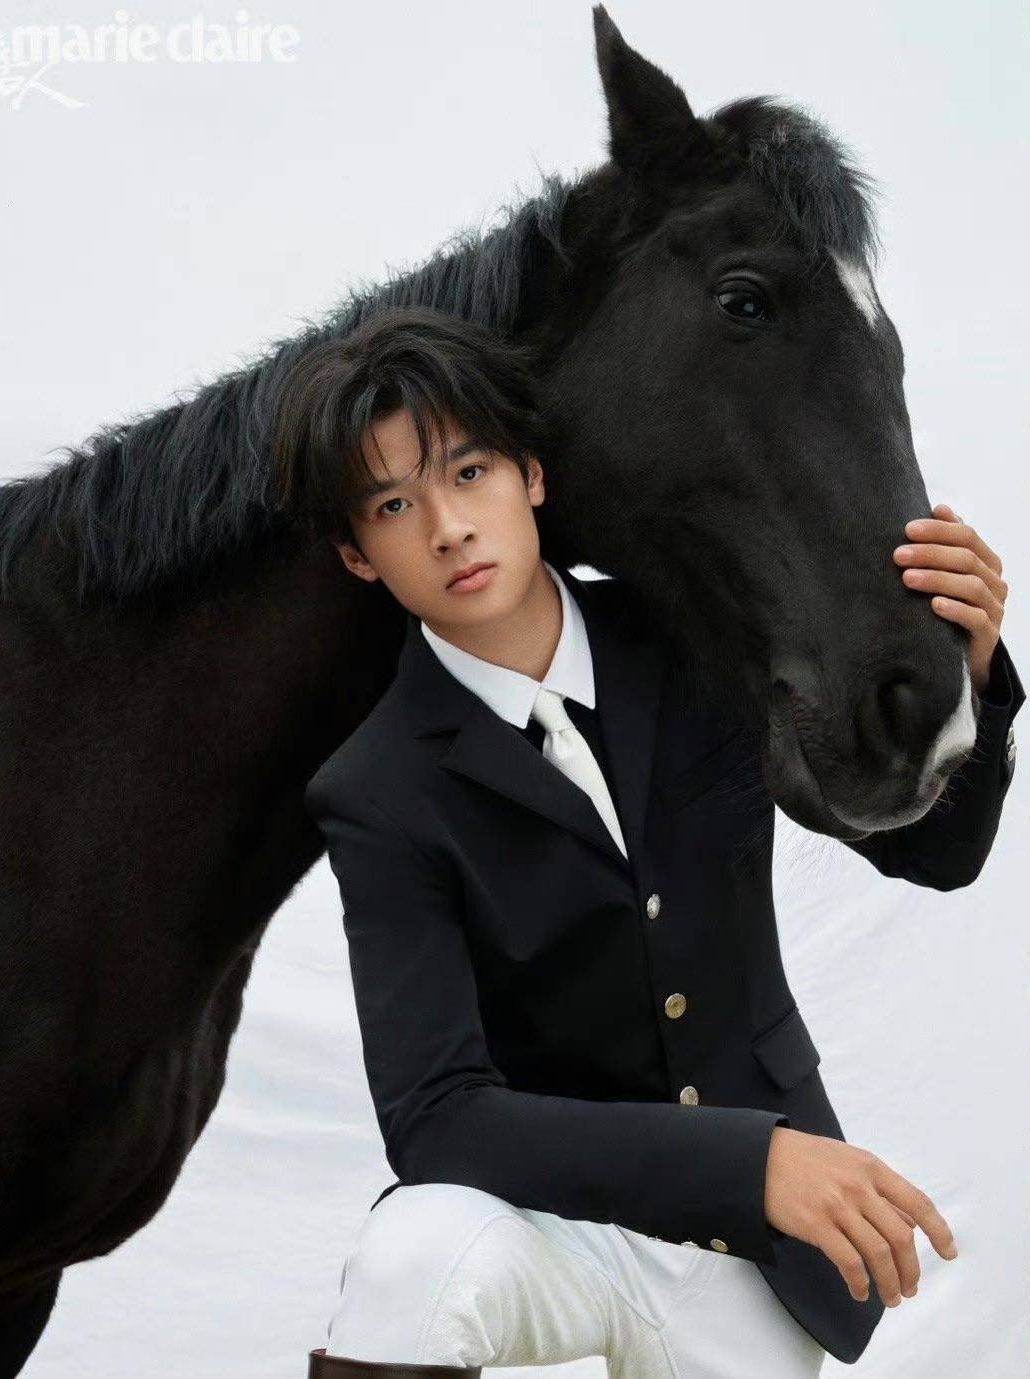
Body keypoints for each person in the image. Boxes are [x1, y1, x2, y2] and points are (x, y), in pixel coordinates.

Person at [279, 306, 1022, 1377]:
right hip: (550, 1221)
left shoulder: (694, 631)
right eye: (396, 504)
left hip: (752, 1254)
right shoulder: (375, 789)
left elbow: (936, 855)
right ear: (359, 554)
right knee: (407, 1262)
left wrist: (978, 673)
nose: (447, 526)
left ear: (533, 474)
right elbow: (435, 1118)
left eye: (470, 471)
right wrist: (753, 1161)